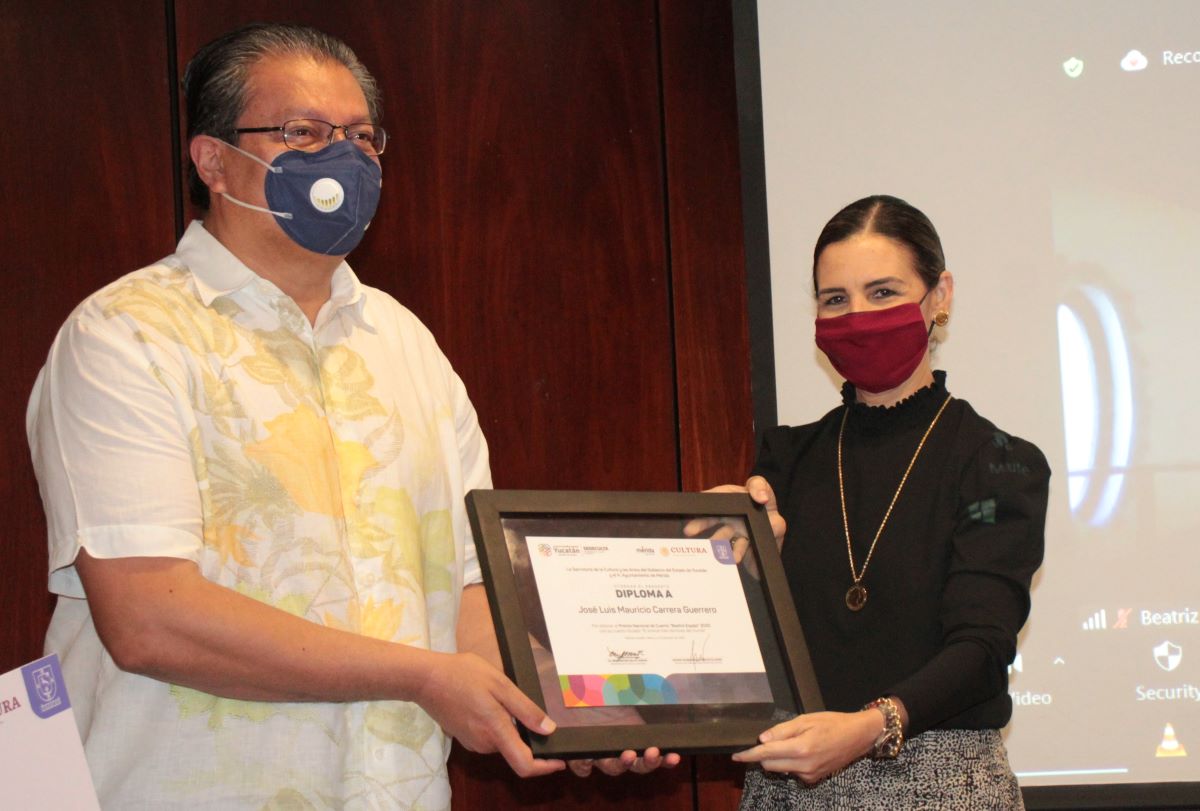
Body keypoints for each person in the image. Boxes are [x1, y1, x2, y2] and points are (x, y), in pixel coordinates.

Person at [25, 22, 669, 808]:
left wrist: (574, 714)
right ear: (214, 159)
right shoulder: (126, 334)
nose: (345, 159)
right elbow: (150, 616)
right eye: (304, 133)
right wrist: (422, 675)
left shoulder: (407, 346)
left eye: (363, 138)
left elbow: (471, 587)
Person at [727, 195, 1049, 808]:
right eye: (835, 300)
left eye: (882, 293)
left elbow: (982, 649)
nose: (858, 317)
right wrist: (727, 558)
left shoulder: (998, 463)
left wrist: (873, 726)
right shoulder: (784, 462)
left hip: (938, 784)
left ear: (940, 295)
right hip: (790, 789)